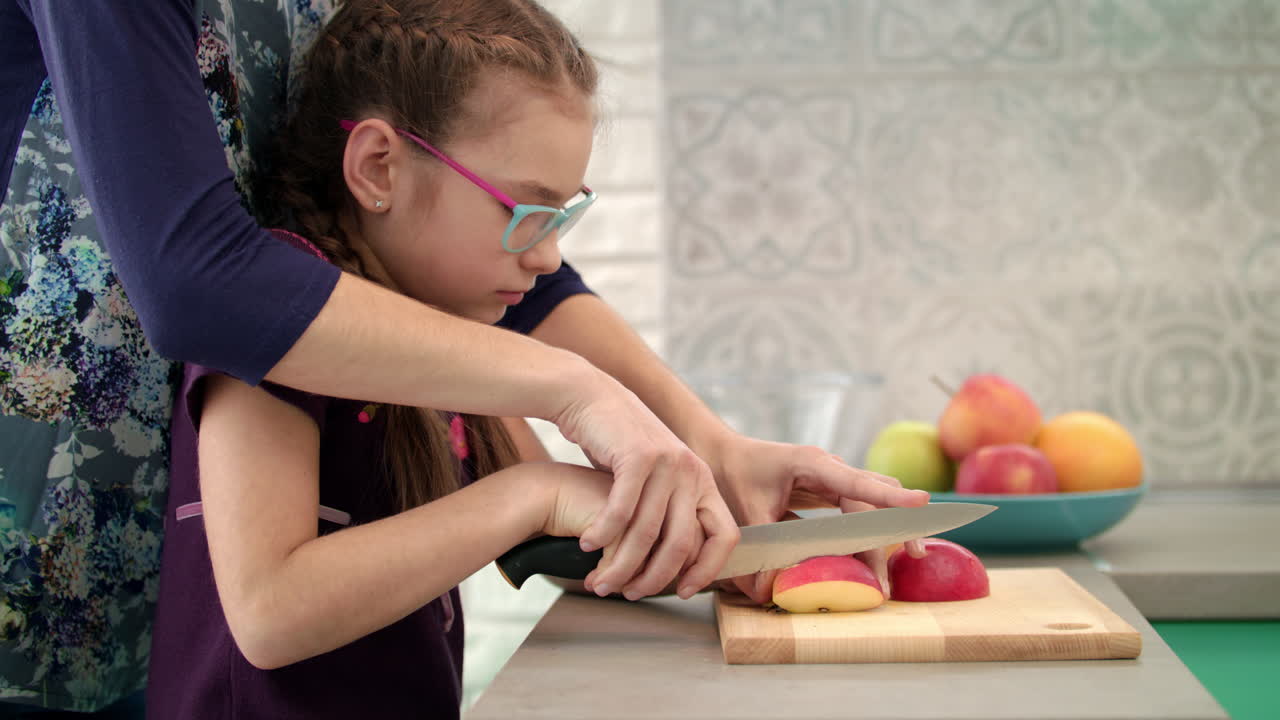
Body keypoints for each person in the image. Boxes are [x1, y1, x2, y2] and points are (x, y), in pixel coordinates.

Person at [1, 0, 926, 714]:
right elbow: (272, 609)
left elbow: (548, 526)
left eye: (565, 217)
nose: (551, 255)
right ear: (373, 169)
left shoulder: (435, 334)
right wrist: (544, 474)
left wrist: (729, 530)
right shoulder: (282, 346)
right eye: (530, 215)